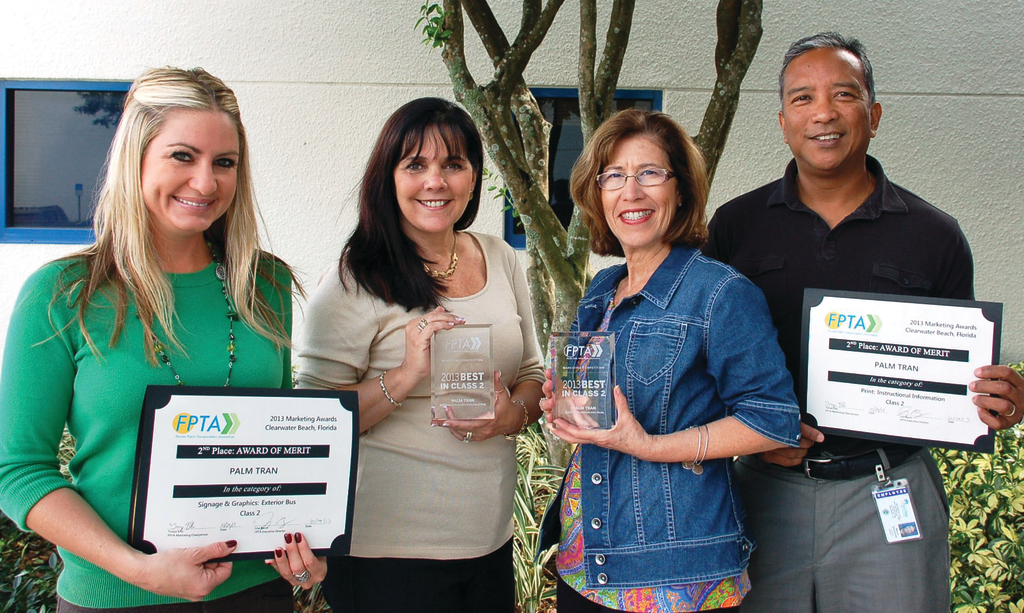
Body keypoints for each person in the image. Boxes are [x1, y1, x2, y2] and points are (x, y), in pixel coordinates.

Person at [703, 32, 1024, 613]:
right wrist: (748, 426)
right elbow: (703, 362)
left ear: (873, 115)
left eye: (843, 95)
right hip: (763, 490)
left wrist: (992, 401)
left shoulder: (935, 234)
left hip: (889, 490)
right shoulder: (735, 226)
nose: (823, 112)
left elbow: (958, 378)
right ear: (782, 121)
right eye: (803, 98)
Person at [0, 67, 324, 611]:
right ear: (137, 157)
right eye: (182, 156)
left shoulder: (262, 284)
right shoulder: (62, 294)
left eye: (225, 163)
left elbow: (272, 446)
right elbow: (18, 470)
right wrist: (140, 570)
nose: (205, 182)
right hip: (114, 596)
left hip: (253, 594)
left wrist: (300, 542)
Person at [536, 108, 802, 613]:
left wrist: (649, 445)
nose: (630, 191)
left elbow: (774, 422)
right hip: (585, 558)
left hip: (674, 572)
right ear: (597, 193)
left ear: (680, 190)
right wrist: (567, 401)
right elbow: (600, 404)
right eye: (613, 176)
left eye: (649, 174)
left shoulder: (721, 293)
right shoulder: (601, 290)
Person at [295, 97, 545, 613]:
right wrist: (407, 374)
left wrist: (512, 416)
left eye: (453, 164)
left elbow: (531, 373)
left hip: (489, 539)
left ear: (474, 178)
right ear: (388, 177)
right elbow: (313, 421)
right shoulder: (353, 280)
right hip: (384, 551)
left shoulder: (501, 259)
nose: (436, 182)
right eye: (416, 165)